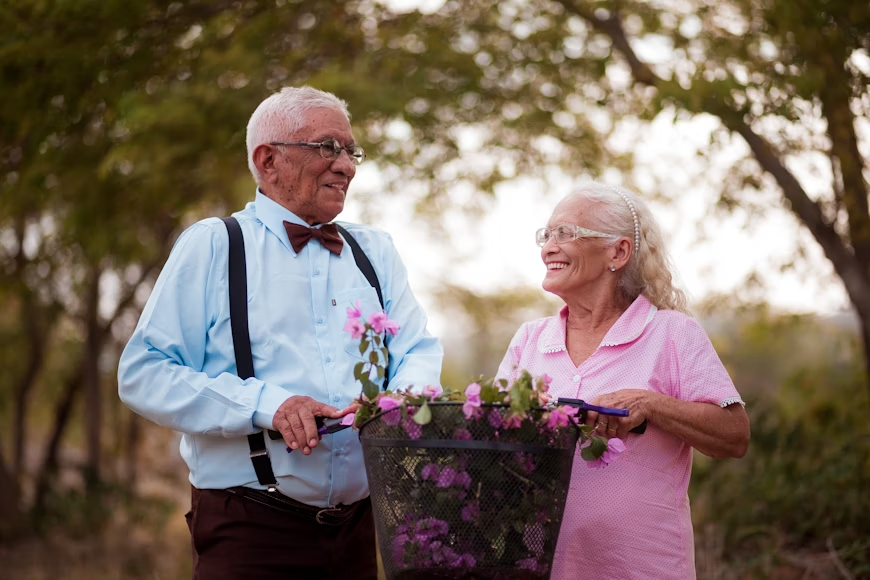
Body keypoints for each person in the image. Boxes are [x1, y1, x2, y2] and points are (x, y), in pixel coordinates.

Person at [118, 86, 443, 579]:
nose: (347, 166)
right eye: (328, 148)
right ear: (268, 161)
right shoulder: (213, 246)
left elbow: (416, 348)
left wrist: (395, 402)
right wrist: (268, 406)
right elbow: (144, 374)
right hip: (250, 530)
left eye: (351, 152)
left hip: (358, 528)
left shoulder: (375, 250)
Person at [495, 182, 750, 580]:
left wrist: (651, 404)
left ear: (617, 251)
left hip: (642, 567)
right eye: (546, 235)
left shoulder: (670, 333)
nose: (548, 247)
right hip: (538, 567)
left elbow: (734, 435)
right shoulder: (529, 339)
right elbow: (488, 443)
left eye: (566, 233)